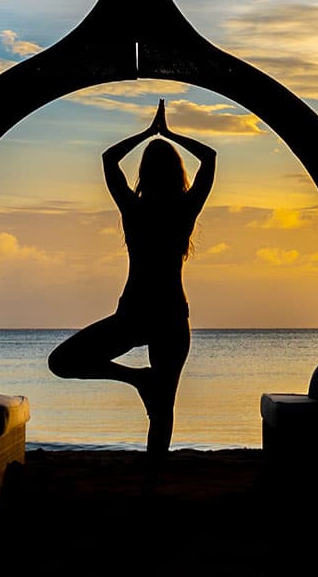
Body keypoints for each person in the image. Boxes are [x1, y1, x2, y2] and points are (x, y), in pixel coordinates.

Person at [48, 99, 216, 466]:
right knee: (163, 408)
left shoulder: (134, 209)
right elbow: (210, 158)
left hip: (138, 313)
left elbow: (109, 159)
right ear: (177, 173)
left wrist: (148, 133)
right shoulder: (184, 210)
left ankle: (138, 380)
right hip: (168, 315)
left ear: (144, 173)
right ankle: (151, 475)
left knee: (61, 362)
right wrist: (169, 134)